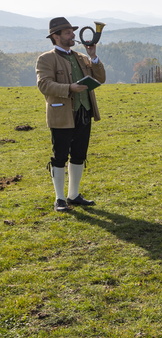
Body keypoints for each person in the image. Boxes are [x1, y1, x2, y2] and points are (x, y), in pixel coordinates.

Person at [36, 17, 107, 212]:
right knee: (59, 156)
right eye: (68, 33)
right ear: (55, 36)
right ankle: (59, 199)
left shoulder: (82, 57)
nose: (73, 35)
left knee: (79, 154)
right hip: (61, 113)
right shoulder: (46, 58)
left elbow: (100, 78)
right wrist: (70, 88)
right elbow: (44, 85)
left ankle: (73, 195)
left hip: (84, 111)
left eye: (72, 32)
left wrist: (93, 57)